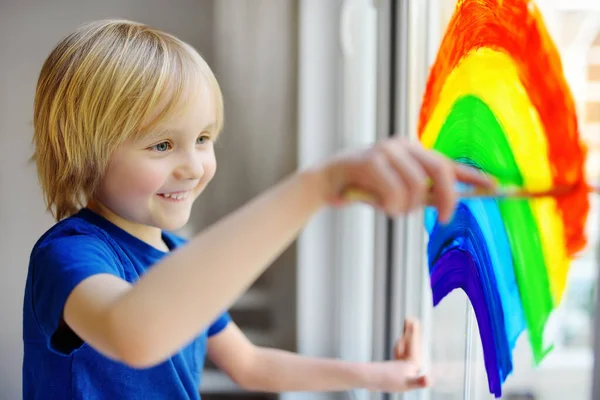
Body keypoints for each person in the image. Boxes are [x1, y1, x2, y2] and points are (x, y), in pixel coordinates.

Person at [22, 19, 494, 400]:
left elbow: (249, 365)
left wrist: (384, 375)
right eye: (163, 144)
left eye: (203, 139)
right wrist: (316, 185)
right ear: (86, 152)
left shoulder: (177, 257)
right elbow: (135, 333)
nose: (194, 166)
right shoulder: (68, 255)